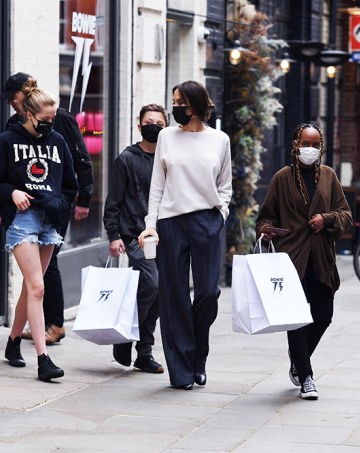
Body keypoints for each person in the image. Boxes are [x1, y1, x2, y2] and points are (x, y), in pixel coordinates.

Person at [0, 81, 78, 381]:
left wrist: (60, 207)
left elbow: (70, 184)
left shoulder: (58, 142)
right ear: (28, 114)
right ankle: (43, 359)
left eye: (53, 120)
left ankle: (12, 344)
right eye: (45, 120)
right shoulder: (6, 142)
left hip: (50, 221)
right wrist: (12, 193)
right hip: (22, 220)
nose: (50, 125)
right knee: (38, 287)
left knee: (30, 287)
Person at [137, 81, 232, 390]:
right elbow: (158, 185)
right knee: (174, 297)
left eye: (180, 102)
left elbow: (225, 186)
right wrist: (151, 223)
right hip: (171, 223)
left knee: (207, 293)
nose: (176, 107)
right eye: (174, 101)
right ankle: (181, 371)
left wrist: (221, 214)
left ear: (195, 105)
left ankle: (198, 356)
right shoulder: (166, 136)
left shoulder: (219, 140)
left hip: (207, 221)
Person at [256, 123, 353, 400]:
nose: (309, 149)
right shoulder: (282, 178)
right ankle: (306, 377)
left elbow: (345, 214)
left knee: (323, 315)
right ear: (295, 144)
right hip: (291, 260)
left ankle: (298, 358)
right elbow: (266, 216)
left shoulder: (328, 177)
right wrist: (266, 230)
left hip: (321, 259)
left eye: (315, 144)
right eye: (305, 143)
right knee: (296, 320)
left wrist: (327, 219)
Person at [0, 72, 94, 344]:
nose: (11, 103)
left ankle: (54, 323)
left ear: (23, 96)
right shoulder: (12, 127)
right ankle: (25, 333)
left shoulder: (59, 119)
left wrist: (80, 199)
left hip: (53, 205)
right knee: (34, 279)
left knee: (45, 267)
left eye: (12, 98)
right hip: (23, 207)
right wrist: (7, 198)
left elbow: (81, 159)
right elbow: (5, 170)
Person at [103, 104, 167, 374]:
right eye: (149, 122)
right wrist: (114, 234)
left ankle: (144, 352)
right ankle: (124, 336)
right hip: (135, 237)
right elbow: (113, 200)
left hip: (166, 236)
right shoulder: (126, 159)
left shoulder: (170, 159)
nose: (154, 126)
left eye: (160, 123)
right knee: (150, 285)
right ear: (139, 126)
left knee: (162, 293)